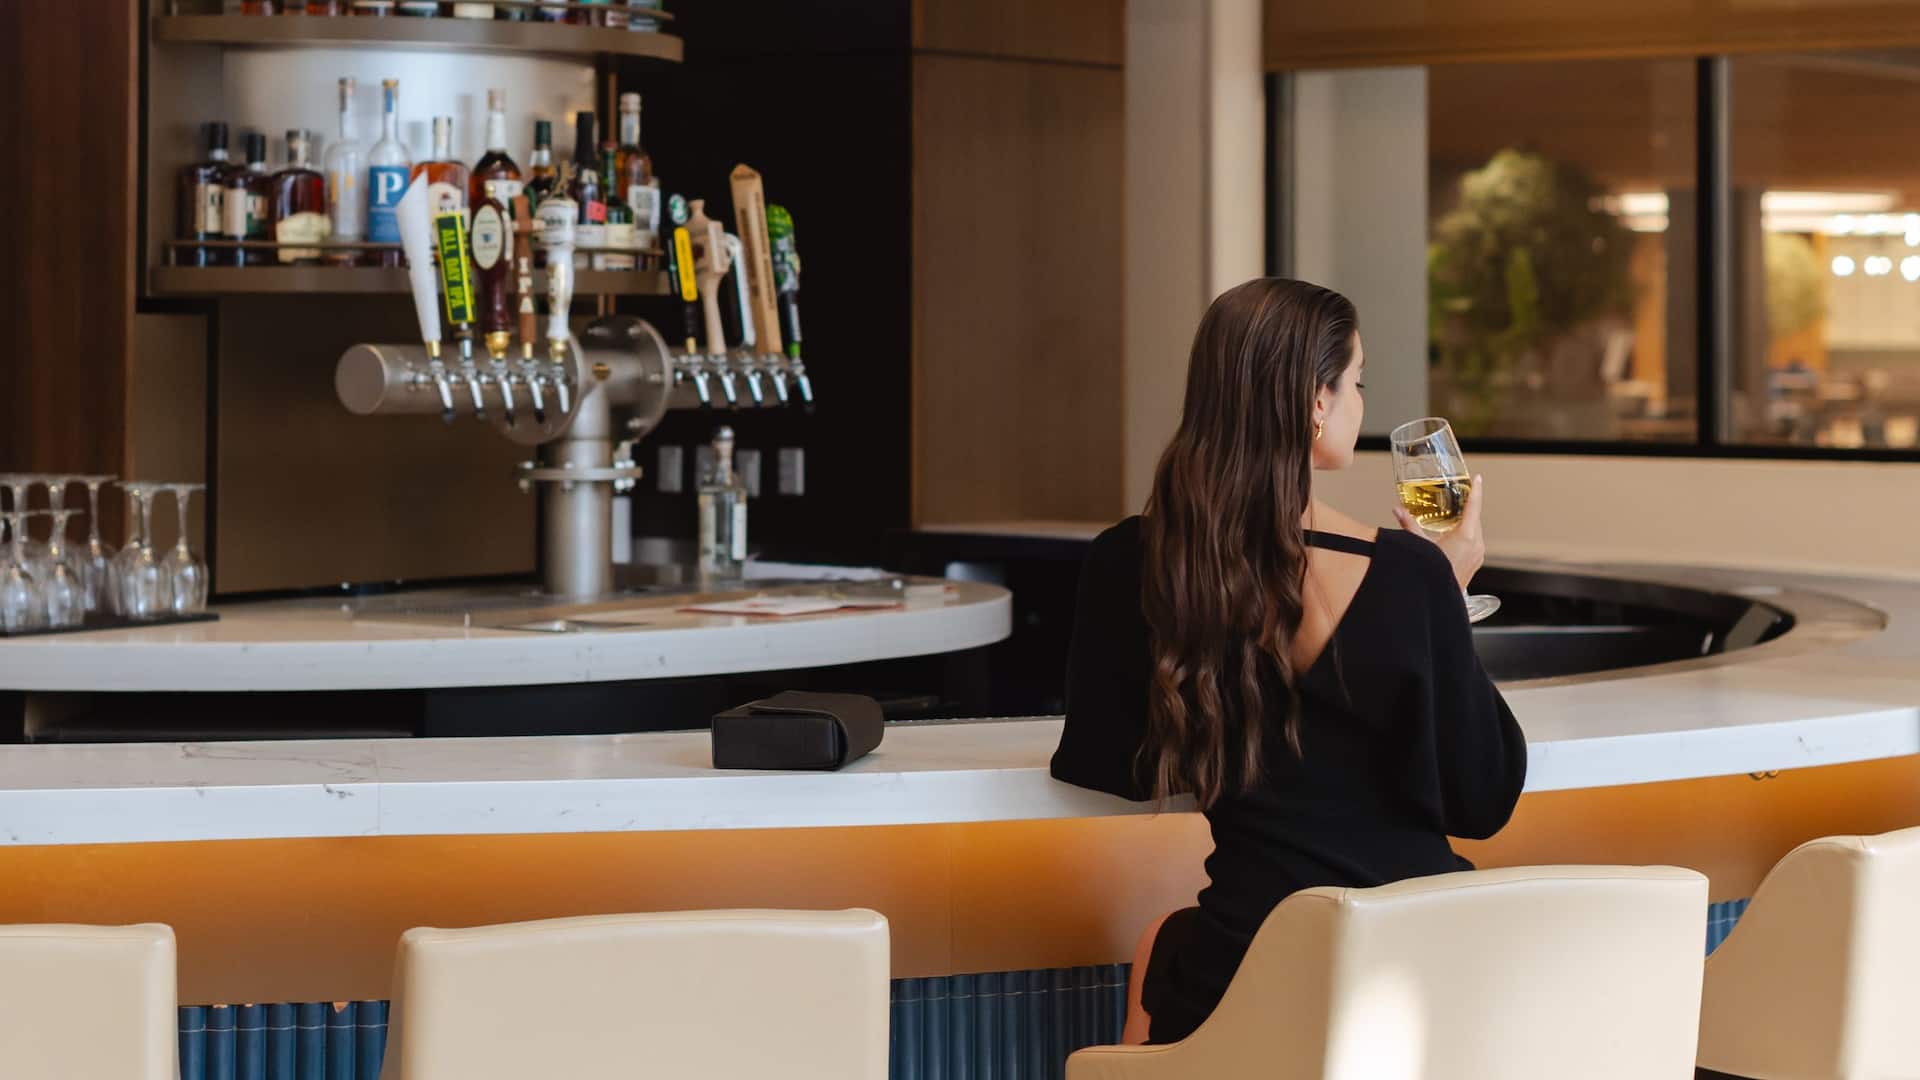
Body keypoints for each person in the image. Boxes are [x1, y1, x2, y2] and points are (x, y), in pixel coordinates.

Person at [1051, 278, 1526, 1045]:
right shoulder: (1410, 575)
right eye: (1357, 382)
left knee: (1167, 951)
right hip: (1422, 971)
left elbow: (1111, 764)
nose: (1361, 403)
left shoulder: (1129, 560)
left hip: (1252, 966)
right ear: (1315, 403)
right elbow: (1483, 801)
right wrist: (1450, 591)